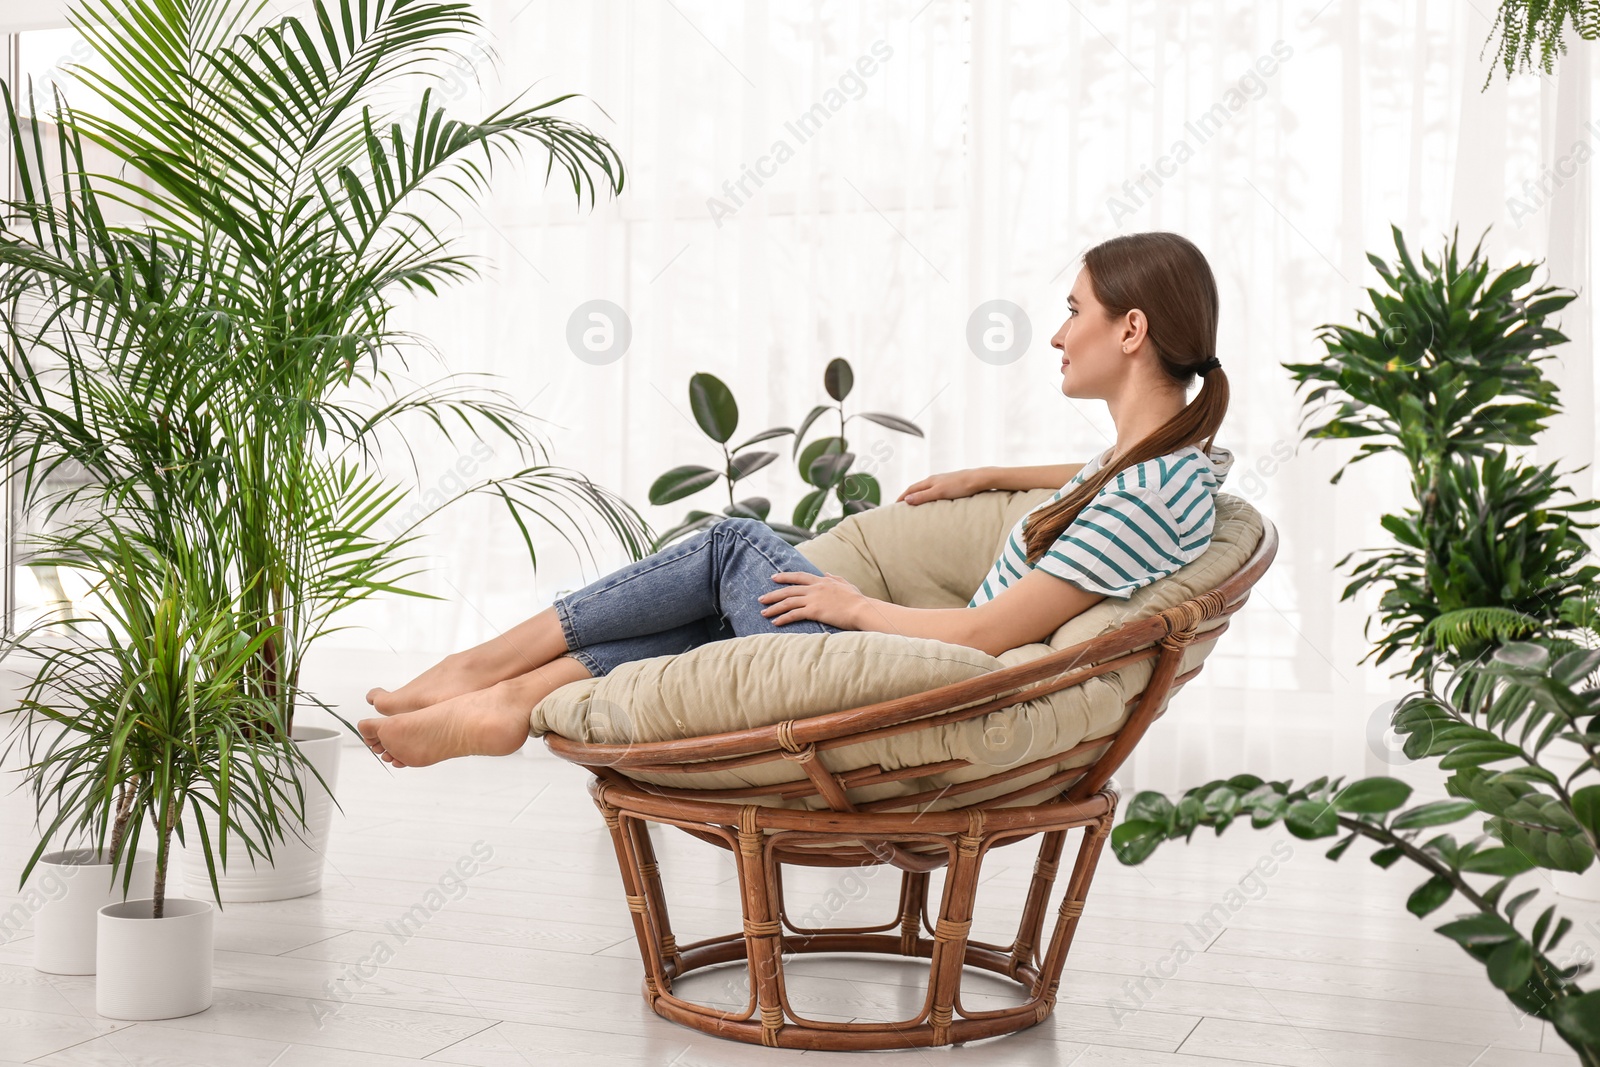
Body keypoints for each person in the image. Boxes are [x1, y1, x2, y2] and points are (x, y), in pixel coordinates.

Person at [356, 230, 1232, 768]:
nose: (1056, 332)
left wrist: (851, 605)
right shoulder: (1169, 466)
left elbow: (984, 634)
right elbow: (1105, 478)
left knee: (733, 545)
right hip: (927, 670)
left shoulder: (1145, 494)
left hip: (933, 686)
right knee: (710, 622)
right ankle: (510, 701)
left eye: (1073, 308)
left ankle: (481, 669)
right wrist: (992, 476)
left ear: (1130, 328)